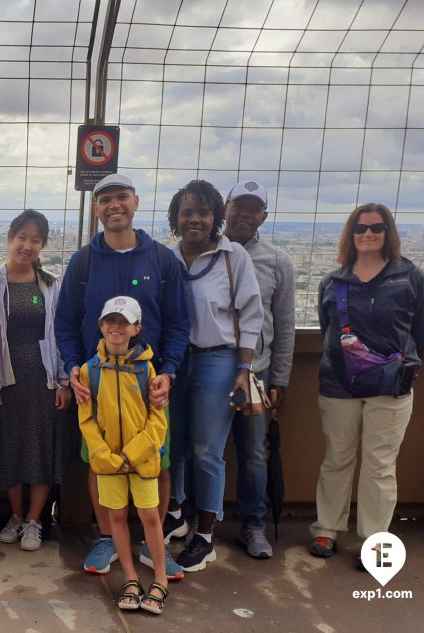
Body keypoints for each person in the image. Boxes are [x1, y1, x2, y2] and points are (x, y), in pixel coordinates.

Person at [55, 173, 189, 579]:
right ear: (95, 209)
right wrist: (73, 368)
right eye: (105, 199)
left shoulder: (163, 260)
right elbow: (65, 324)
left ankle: (154, 542)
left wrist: (168, 372)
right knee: (99, 461)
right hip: (95, 382)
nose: (114, 205)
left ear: (135, 202)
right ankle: (106, 536)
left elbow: (179, 323)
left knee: (158, 462)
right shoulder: (83, 261)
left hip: (149, 382)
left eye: (122, 197)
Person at [309, 203, 424, 565]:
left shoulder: (411, 277)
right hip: (340, 384)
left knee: (379, 465)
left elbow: (420, 331)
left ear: (387, 233)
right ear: (351, 234)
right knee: (337, 459)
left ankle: (375, 542)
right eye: (361, 228)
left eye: (376, 228)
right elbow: (325, 328)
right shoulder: (333, 282)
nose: (368, 234)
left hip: (390, 385)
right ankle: (326, 529)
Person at [165, 179, 263, 572]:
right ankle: (175, 512)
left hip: (217, 359)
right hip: (175, 361)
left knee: (207, 449)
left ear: (215, 218)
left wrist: (243, 369)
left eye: (203, 212)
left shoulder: (232, 256)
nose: (195, 220)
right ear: (176, 217)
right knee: (172, 444)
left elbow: (252, 315)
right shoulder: (167, 259)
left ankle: (205, 534)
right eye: (187, 212)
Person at [0, 210, 71, 551]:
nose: (27, 245)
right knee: (10, 445)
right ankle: (16, 515)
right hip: (6, 378)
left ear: (43, 245)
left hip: (42, 378)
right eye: (22, 237)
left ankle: (35, 519)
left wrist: (63, 381)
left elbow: (59, 333)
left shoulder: (47, 285)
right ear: (9, 238)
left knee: (41, 446)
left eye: (35, 240)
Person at [79, 296, 169, 615]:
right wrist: (103, 455)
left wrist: (132, 454)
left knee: (149, 516)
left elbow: (158, 420)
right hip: (109, 464)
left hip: (141, 462)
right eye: (110, 321)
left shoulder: (147, 369)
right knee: (115, 516)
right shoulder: (91, 371)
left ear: (136, 328)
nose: (116, 327)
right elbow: (86, 419)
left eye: (123, 322)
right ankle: (130, 577)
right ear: (101, 326)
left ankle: (160, 578)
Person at [223, 181, 295, 559]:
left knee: (253, 451)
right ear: (226, 208)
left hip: (256, 373)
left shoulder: (278, 261)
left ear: (264, 216)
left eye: (254, 209)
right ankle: (199, 521)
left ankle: (253, 525)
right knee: (203, 451)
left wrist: (279, 380)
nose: (245, 214)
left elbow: (285, 326)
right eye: (240, 206)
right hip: (210, 368)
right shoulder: (205, 253)